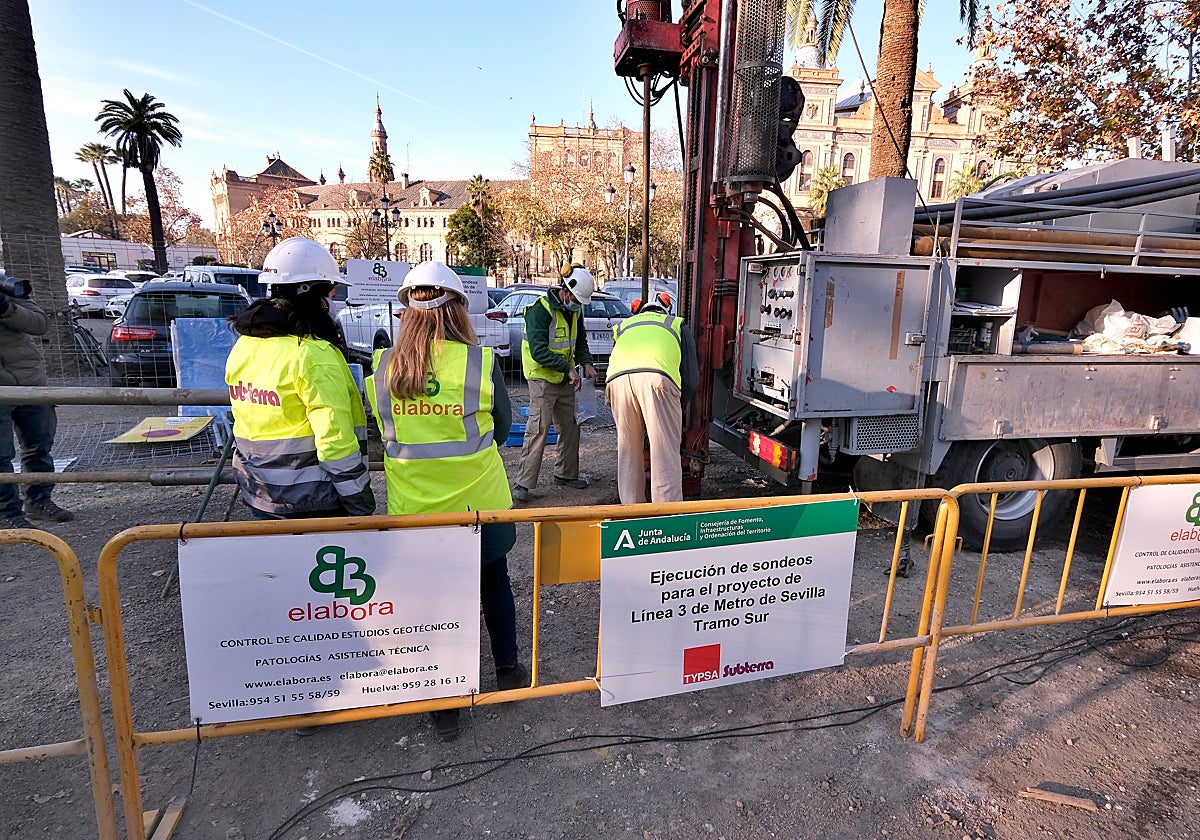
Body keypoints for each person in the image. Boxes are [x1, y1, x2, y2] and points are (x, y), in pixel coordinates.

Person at [366, 260, 528, 742]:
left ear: (405, 311)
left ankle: (445, 703)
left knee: (432, 603)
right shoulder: (480, 363)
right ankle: (507, 672)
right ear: (457, 309)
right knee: (494, 584)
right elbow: (502, 428)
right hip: (481, 505)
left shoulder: (383, 367)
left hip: (416, 511)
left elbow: (381, 433)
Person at [224, 237, 374, 522]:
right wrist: (359, 502)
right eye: (330, 294)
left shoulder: (245, 344)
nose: (332, 303)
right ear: (310, 293)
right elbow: (335, 443)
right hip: (312, 502)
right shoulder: (313, 354)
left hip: (260, 494)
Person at [511, 264, 598, 502]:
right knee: (538, 429)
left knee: (571, 426)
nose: (578, 305)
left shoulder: (575, 312)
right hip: (542, 378)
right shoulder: (540, 311)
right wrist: (568, 369)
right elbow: (539, 351)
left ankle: (566, 474)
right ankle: (523, 483)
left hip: (565, 378)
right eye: (576, 300)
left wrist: (587, 363)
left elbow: (580, 341)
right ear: (565, 291)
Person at [606, 292, 699, 504]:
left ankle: (631, 512)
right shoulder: (675, 324)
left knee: (628, 453)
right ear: (665, 309)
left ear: (639, 311)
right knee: (664, 455)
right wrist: (677, 407)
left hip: (617, 383)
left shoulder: (625, 326)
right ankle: (665, 517)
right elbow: (691, 377)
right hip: (657, 379)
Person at [0, 276, 74, 528]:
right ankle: (7, 514)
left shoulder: (8, 290)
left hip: (30, 383)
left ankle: (39, 501)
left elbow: (40, 323)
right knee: (0, 455)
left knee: (39, 447)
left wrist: (6, 308)